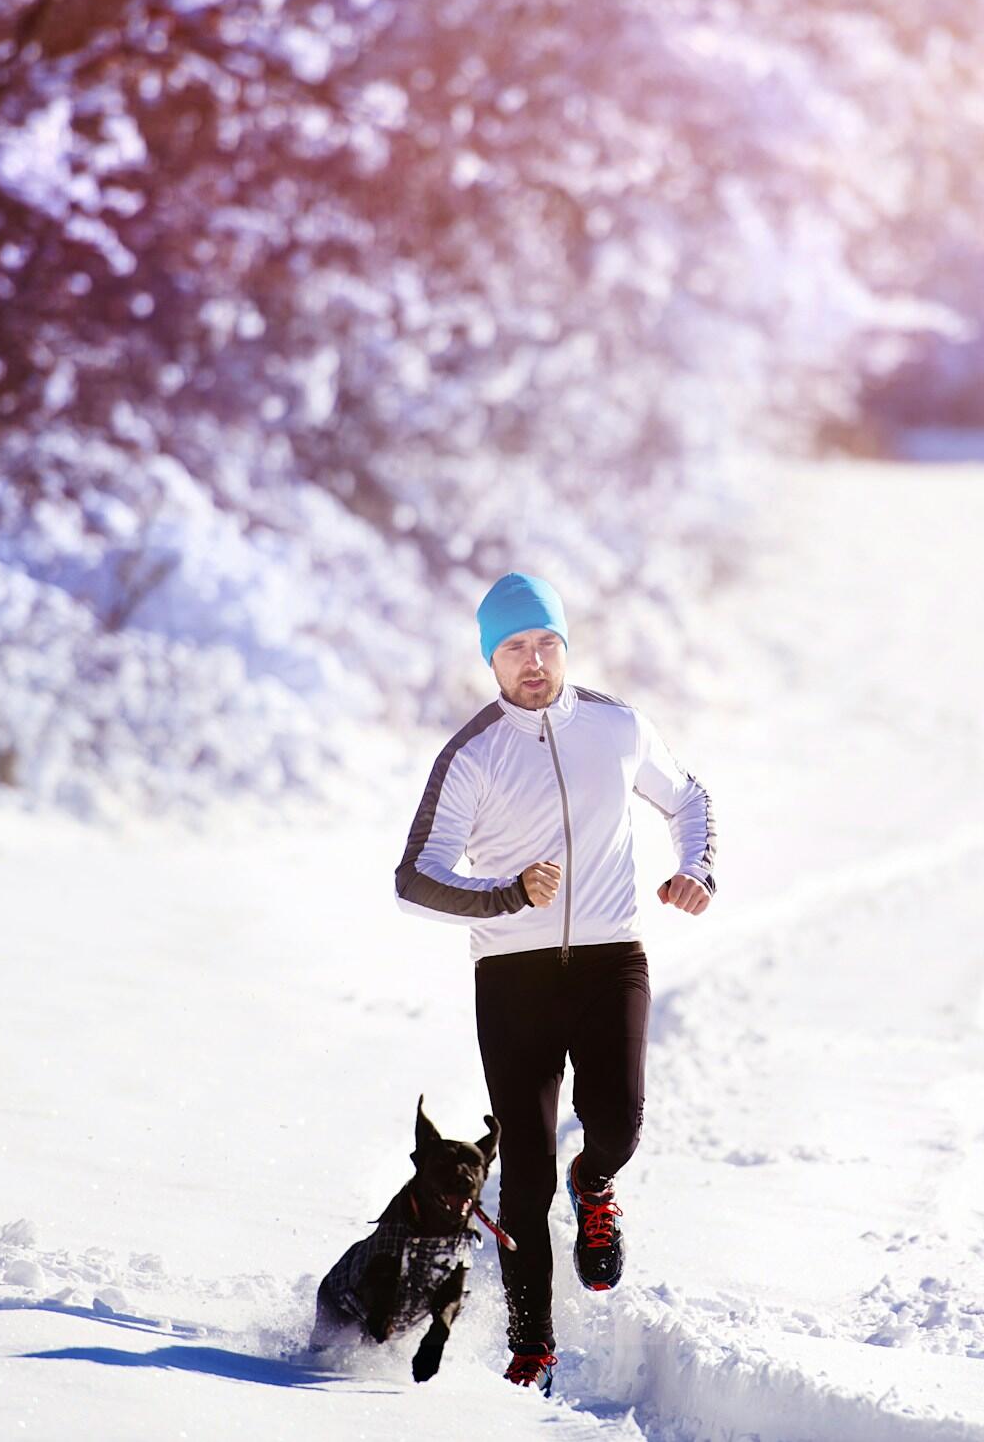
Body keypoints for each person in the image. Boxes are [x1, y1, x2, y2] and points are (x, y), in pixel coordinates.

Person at [393, 571, 719, 1396]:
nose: (532, 662)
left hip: (614, 957)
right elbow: (414, 877)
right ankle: (532, 1338)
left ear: (565, 646)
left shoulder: (617, 726)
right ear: (490, 663)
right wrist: (505, 896)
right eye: (513, 649)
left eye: (545, 644)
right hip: (513, 976)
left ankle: (597, 1180)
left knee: (620, 1120)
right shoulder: (472, 751)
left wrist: (698, 869)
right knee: (526, 1172)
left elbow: (690, 799)